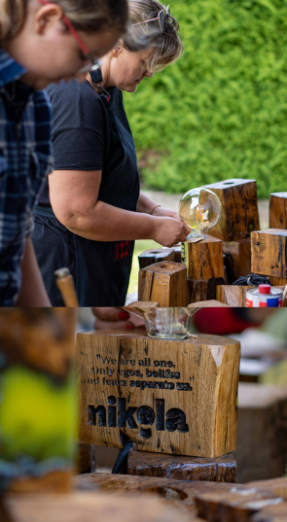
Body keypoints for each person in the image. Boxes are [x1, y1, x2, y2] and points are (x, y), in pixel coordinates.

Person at [33, 0, 187, 307]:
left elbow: (102, 175)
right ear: (116, 44)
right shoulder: (76, 99)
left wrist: (152, 209)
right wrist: (153, 227)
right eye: (146, 61)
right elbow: (77, 211)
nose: (150, 74)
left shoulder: (104, 87)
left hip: (95, 262)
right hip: (65, 268)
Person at [0, 0, 127, 306]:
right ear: (46, 20)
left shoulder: (38, 105)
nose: (85, 72)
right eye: (84, 56)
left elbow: (17, 234)